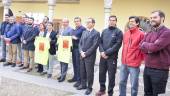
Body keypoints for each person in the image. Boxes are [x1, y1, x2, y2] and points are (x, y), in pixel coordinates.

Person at [140, 10, 170, 96]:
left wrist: (146, 45)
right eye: (151, 18)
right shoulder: (150, 32)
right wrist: (150, 47)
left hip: (160, 70)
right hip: (147, 68)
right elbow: (140, 46)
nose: (152, 19)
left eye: (155, 17)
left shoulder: (167, 32)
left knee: (156, 94)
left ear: (162, 18)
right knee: (147, 93)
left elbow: (155, 47)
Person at [96, 15, 123, 96]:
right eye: (110, 20)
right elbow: (100, 42)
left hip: (112, 58)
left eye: (113, 20)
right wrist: (101, 52)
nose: (112, 21)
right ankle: (102, 89)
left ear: (116, 21)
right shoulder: (104, 31)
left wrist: (106, 53)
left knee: (111, 76)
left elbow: (117, 45)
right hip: (103, 57)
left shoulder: (119, 32)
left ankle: (110, 92)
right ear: (108, 21)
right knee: (101, 74)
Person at [119, 16, 144, 96]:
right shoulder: (126, 33)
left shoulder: (141, 34)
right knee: (122, 82)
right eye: (130, 21)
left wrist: (142, 60)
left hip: (134, 63)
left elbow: (143, 49)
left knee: (134, 84)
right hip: (124, 63)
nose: (131, 23)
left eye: (133, 21)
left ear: (137, 23)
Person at [78, 18, 100, 95]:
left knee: (89, 73)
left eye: (89, 22)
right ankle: (83, 85)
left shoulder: (96, 33)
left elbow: (94, 46)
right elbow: (80, 43)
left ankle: (89, 87)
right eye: (86, 22)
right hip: (82, 55)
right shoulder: (84, 32)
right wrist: (81, 51)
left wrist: (86, 53)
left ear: (93, 24)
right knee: (82, 71)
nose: (87, 23)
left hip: (89, 56)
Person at [67, 17, 86, 88]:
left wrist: (77, 38)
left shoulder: (83, 29)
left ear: (80, 21)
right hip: (73, 48)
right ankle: (75, 77)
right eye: (75, 21)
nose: (76, 22)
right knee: (74, 64)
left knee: (78, 65)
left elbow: (84, 39)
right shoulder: (74, 29)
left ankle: (79, 81)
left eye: (77, 21)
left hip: (79, 49)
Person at [58, 18, 73, 82]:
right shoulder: (61, 29)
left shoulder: (70, 29)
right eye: (63, 22)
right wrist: (58, 36)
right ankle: (61, 74)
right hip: (61, 48)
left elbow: (70, 39)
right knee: (61, 61)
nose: (64, 23)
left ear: (68, 23)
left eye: (65, 22)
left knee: (64, 62)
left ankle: (63, 76)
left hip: (66, 48)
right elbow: (60, 36)